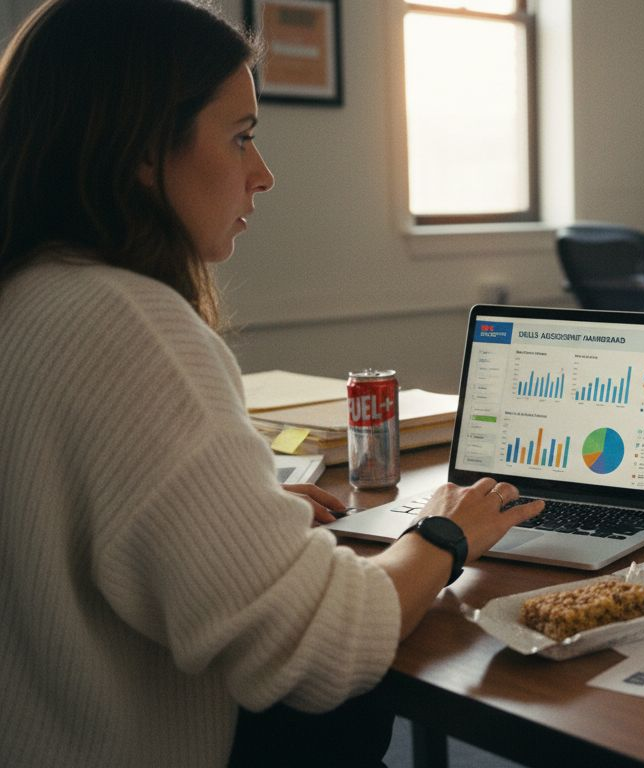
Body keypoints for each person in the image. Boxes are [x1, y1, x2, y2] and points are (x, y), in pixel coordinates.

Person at [0, 1, 543, 766]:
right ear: (140, 148)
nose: (263, 174)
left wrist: (230, 518)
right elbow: (319, 649)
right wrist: (445, 535)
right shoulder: (125, 321)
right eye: (241, 137)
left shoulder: (27, 294)